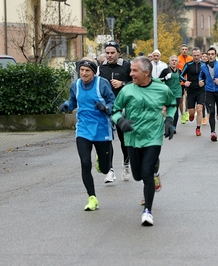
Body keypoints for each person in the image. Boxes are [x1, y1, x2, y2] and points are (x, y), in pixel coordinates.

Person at [112, 56, 176, 226]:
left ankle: (147, 211)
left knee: (146, 174)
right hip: (133, 138)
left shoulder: (161, 89)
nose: (130, 73)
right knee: (137, 175)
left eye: (134, 70)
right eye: (131, 70)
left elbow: (172, 104)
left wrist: (169, 120)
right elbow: (115, 110)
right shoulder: (127, 91)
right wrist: (121, 121)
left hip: (153, 137)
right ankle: (154, 168)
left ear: (146, 73)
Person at [58, 58, 115, 211]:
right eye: (81, 70)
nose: (83, 73)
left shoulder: (101, 84)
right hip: (83, 129)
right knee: (84, 163)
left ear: (94, 72)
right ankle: (92, 197)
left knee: (105, 169)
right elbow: (73, 101)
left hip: (102, 129)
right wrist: (67, 105)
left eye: (87, 71)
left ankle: (101, 161)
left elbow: (113, 102)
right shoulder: (75, 85)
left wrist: (105, 108)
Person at [98, 40, 132, 182]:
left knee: (123, 139)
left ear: (119, 52)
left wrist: (122, 83)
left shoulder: (126, 66)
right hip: (106, 108)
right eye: (107, 53)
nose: (109, 55)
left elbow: (135, 82)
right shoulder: (102, 68)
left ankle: (126, 165)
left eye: (112, 53)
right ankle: (110, 171)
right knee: (107, 140)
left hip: (122, 108)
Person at [180, 47, 205, 136]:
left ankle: (198, 128)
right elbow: (181, 75)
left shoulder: (204, 65)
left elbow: (209, 76)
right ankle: (191, 114)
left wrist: (204, 82)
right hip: (191, 90)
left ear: (200, 55)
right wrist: (185, 81)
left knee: (199, 109)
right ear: (192, 55)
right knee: (192, 111)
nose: (196, 57)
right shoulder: (188, 64)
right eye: (194, 55)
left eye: (198, 55)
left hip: (201, 90)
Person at [159, 55, 182, 133]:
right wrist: (165, 78)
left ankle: (174, 126)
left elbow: (183, 80)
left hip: (177, 93)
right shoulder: (166, 70)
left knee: (175, 110)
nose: (174, 62)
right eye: (172, 60)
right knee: (168, 110)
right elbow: (159, 80)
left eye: (176, 60)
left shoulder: (179, 71)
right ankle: (167, 124)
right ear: (170, 62)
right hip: (168, 93)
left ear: (178, 62)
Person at [177, 44, 193, 124]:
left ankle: (186, 111)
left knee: (187, 97)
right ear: (180, 50)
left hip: (188, 81)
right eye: (182, 49)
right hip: (180, 82)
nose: (184, 50)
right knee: (180, 99)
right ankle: (182, 114)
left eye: (185, 49)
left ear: (188, 50)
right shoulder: (177, 59)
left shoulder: (191, 59)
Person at [201, 52, 209, 125]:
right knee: (202, 102)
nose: (204, 58)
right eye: (203, 56)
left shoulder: (210, 65)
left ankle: (209, 114)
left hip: (209, 85)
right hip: (201, 86)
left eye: (205, 56)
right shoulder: (200, 65)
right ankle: (203, 117)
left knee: (208, 102)